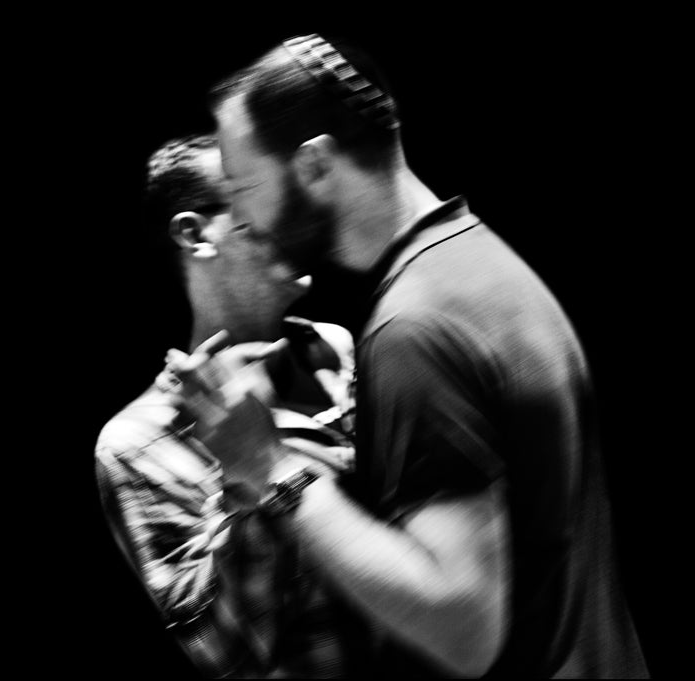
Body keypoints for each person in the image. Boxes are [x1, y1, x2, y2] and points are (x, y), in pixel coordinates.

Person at [183, 33, 649, 678]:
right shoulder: (481, 262)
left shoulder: (412, 331)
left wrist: (268, 467)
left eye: (241, 188)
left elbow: (463, 628)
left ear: (316, 167)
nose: (239, 221)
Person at [94, 134, 368, 678]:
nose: (300, 215)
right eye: (261, 197)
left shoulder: (335, 350)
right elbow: (228, 658)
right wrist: (247, 478)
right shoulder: (135, 444)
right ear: (195, 234)